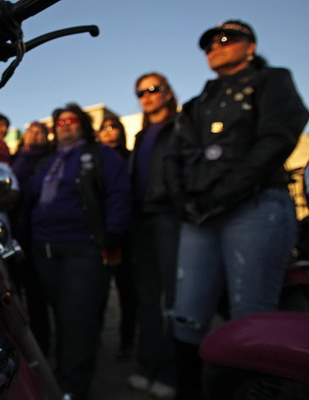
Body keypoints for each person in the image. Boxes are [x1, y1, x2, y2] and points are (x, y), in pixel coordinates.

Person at [164, 20, 309, 399]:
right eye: (210, 42)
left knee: (252, 316)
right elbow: (175, 156)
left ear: (251, 45)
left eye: (227, 38)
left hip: (255, 205)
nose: (216, 45)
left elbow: (278, 137)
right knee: (186, 315)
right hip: (200, 215)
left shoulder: (272, 80)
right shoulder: (197, 102)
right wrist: (184, 201)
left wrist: (229, 190)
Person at [28, 103, 131, 400]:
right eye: (60, 122)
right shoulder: (44, 162)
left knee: (78, 320)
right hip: (43, 249)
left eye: (72, 120)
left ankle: (73, 388)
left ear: (83, 125)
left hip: (82, 249)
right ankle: (63, 375)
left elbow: (118, 194)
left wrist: (113, 231)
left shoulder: (102, 155)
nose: (65, 125)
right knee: (61, 317)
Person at [126, 73, 180, 400]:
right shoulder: (142, 135)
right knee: (147, 300)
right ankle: (149, 365)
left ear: (167, 92)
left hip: (170, 218)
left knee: (174, 300)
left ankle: (173, 373)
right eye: (140, 91)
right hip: (141, 223)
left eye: (153, 89)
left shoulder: (182, 127)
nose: (146, 96)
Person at [10, 121, 54, 355]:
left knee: (37, 299)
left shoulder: (52, 159)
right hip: (13, 235)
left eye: (40, 131)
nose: (35, 135)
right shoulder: (14, 160)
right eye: (31, 131)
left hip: (36, 237)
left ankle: (42, 349)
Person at [97, 116, 138, 362]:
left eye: (114, 127)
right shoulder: (91, 160)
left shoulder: (132, 157)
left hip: (128, 236)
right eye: (105, 128)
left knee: (128, 293)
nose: (109, 132)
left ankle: (127, 341)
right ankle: (95, 339)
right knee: (97, 294)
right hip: (99, 235)